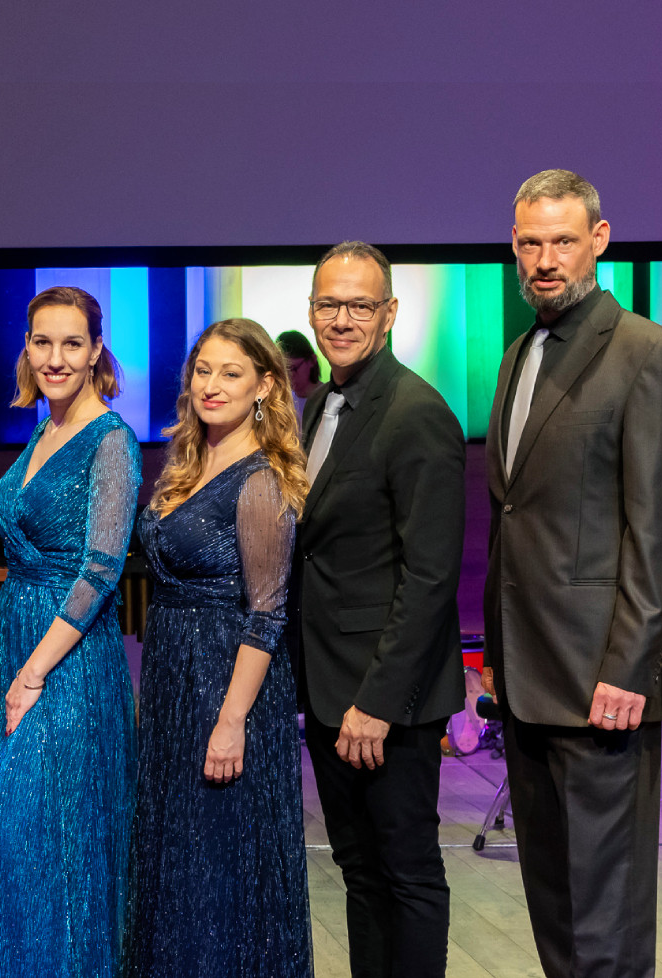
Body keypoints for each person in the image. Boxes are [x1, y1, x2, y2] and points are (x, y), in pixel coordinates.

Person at [484, 170, 662, 978]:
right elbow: (515, 516)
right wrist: (496, 656)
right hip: (527, 678)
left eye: (562, 242)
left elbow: (660, 531)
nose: (544, 260)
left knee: (604, 923)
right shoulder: (518, 354)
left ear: (598, 241)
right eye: (529, 243)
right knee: (556, 912)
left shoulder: (645, 353)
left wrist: (628, 668)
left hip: (601, 683)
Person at [294, 241, 464, 978]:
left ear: (389, 313)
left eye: (359, 305)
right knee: (359, 873)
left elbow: (429, 577)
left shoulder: (415, 412)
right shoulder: (318, 405)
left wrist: (377, 704)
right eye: (328, 304)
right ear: (310, 311)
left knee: (408, 875)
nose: (341, 319)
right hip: (329, 688)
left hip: (385, 700)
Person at [132, 318, 312, 978]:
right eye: (202, 370)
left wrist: (231, 721)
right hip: (173, 681)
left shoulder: (260, 479)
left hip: (225, 687)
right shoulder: (187, 462)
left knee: (220, 862)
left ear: (264, 386)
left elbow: (266, 614)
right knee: (178, 857)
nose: (211, 385)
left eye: (230, 373)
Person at [0, 286, 140, 978]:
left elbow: (100, 570)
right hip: (18, 643)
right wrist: (11, 667)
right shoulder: (42, 433)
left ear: (96, 350)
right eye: (42, 342)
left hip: (67, 662)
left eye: (72, 343)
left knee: (54, 838)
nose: (55, 358)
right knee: (22, 846)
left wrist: (34, 671)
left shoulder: (111, 440)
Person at [276, 330, 322, 418]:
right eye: (284, 371)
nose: (289, 376)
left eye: (294, 368)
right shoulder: (282, 404)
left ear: (312, 360)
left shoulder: (330, 399)